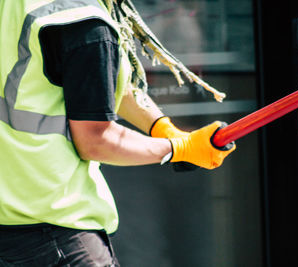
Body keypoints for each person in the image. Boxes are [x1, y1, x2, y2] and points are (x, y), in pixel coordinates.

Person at [0, 0, 235, 266]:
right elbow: (96, 141)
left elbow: (100, 82)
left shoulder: (20, 7)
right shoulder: (83, 22)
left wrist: (161, 127)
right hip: (52, 226)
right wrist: (177, 149)